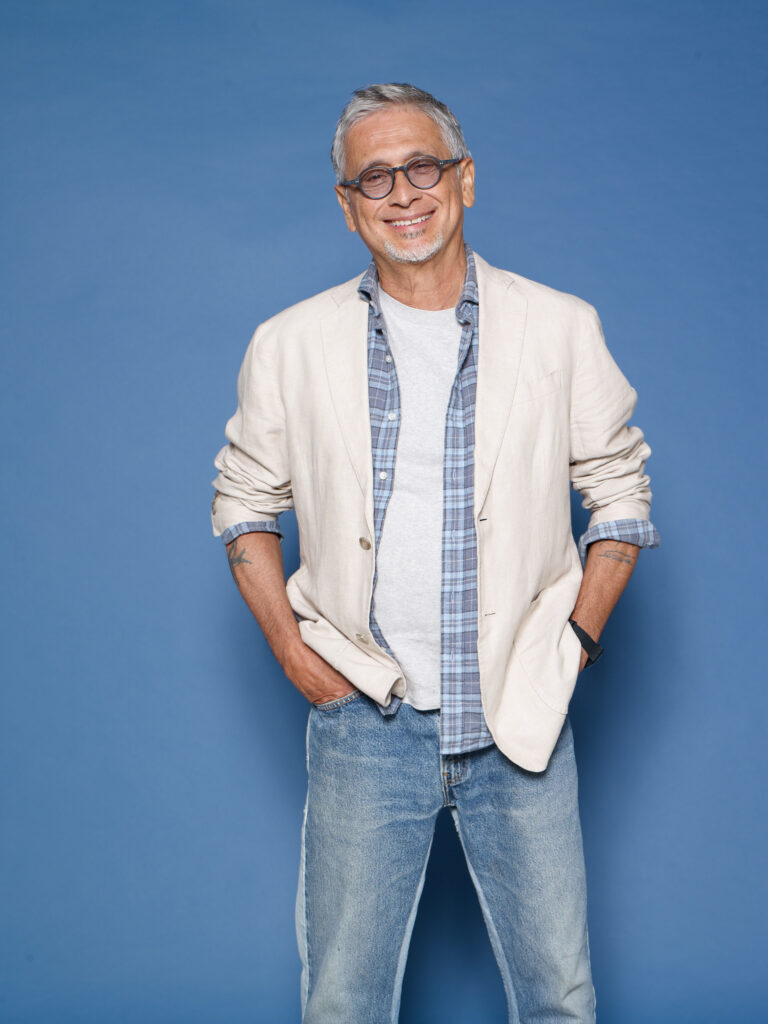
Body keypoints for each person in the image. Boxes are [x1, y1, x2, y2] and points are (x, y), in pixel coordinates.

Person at [210, 82, 659, 1024]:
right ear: (347, 205)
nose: (403, 193)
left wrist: (575, 639)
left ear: (465, 179)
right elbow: (243, 501)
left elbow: (620, 494)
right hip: (364, 718)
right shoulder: (289, 343)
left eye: (423, 166)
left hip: (519, 710)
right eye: (374, 177)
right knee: (343, 1001)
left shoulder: (559, 326)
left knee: (559, 997)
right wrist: (291, 650)